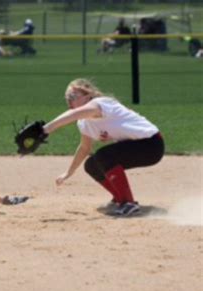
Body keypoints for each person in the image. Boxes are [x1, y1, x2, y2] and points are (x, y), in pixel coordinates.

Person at [42, 78, 164, 216]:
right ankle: (119, 198)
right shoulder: (84, 122)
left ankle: (128, 203)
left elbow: (72, 115)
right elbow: (84, 148)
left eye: (73, 96)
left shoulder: (101, 104)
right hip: (137, 147)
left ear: (88, 96)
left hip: (151, 144)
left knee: (104, 156)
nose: (69, 100)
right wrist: (69, 172)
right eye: (67, 98)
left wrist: (46, 129)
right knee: (92, 165)